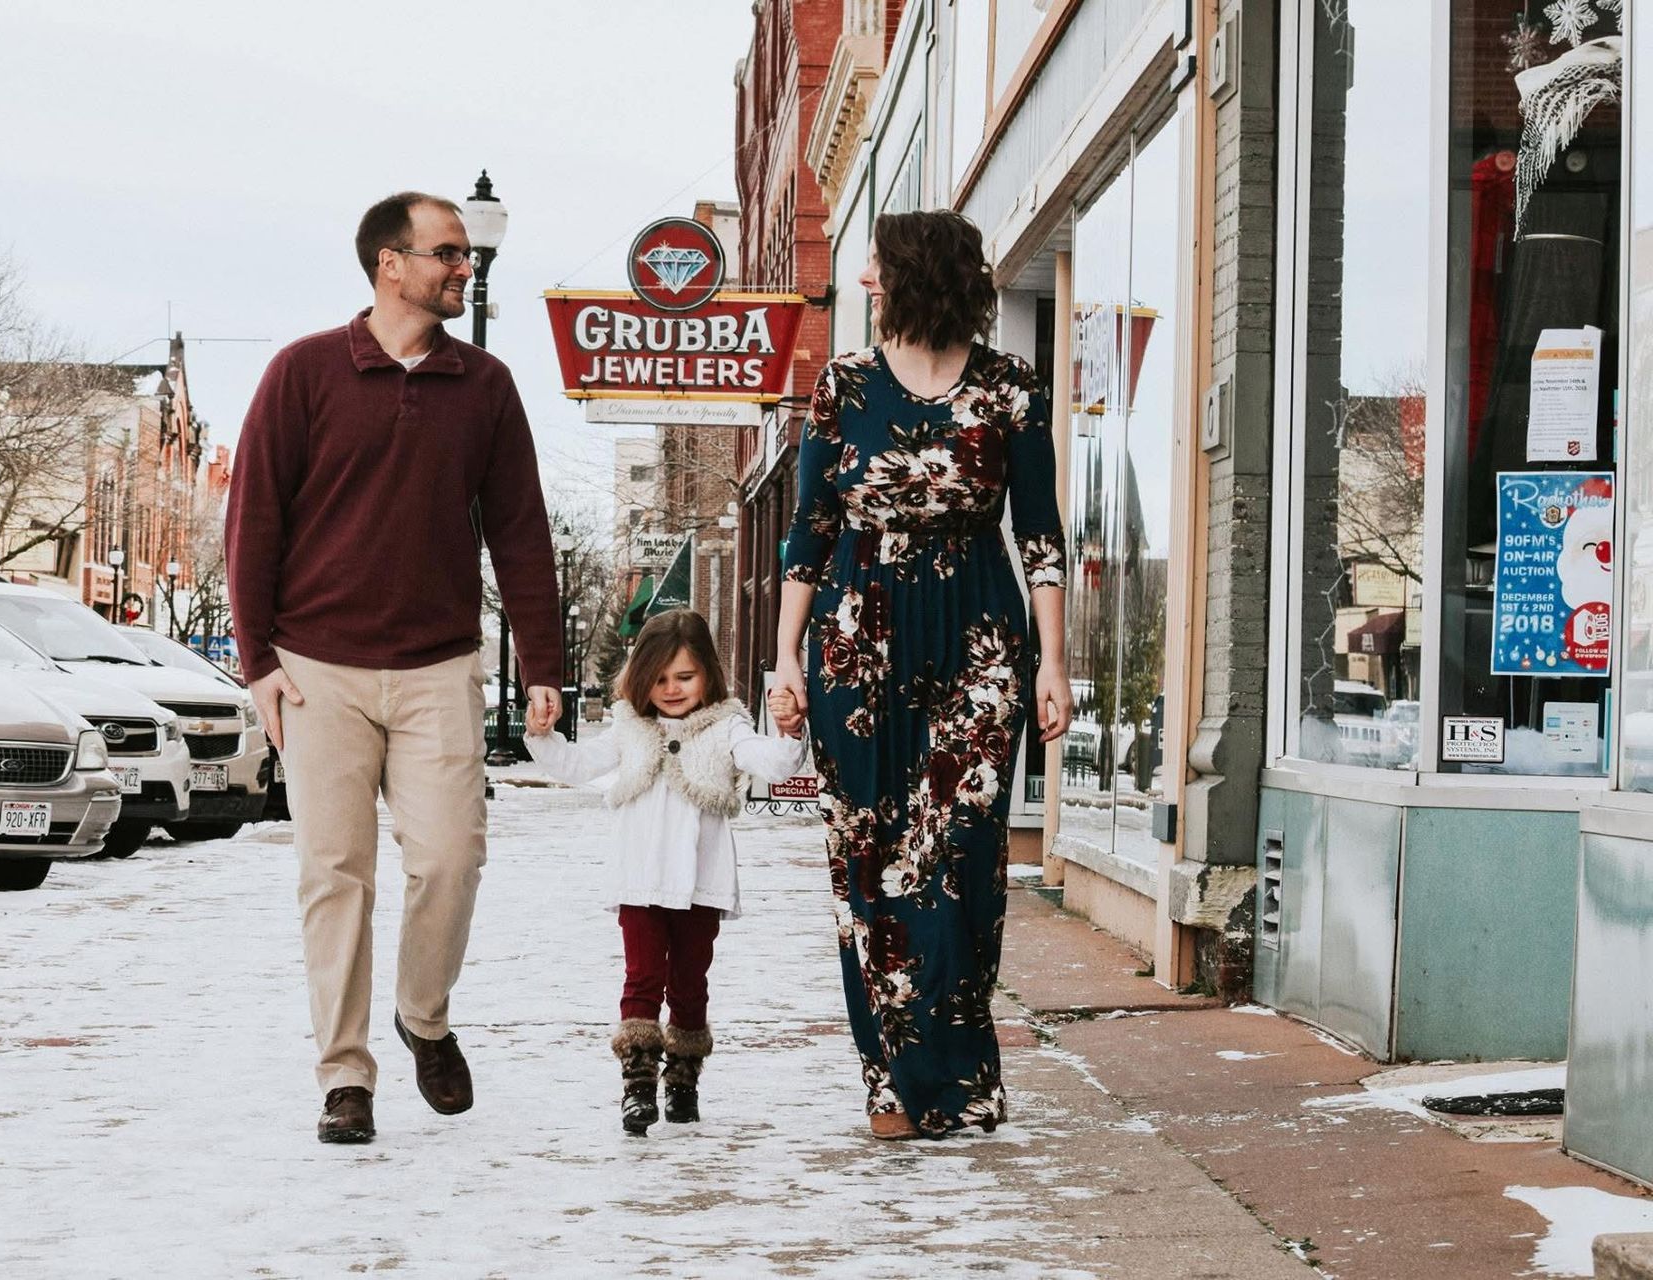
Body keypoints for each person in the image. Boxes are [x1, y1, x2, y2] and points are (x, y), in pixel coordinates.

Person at [225, 191, 564, 1144]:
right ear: (390, 263)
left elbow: (520, 532)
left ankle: (423, 1016)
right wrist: (258, 664)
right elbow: (253, 520)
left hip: (437, 667)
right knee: (335, 875)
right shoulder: (303, 373)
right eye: (448, 253)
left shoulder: (486, 386)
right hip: (316, 669)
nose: (465, 269)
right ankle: (344, 1076)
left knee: (452, 858)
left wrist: (541, 661)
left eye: (466, 254)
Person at [771, 209, 1072, 1141]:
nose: (861, 280)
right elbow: (809, 532)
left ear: (915, 276)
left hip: (980, 636)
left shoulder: (1011, 387)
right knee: (868, 852)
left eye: (875, 264)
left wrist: (1054, 662)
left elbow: (1042, 535)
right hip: (857, 637)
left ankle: (960, 1072)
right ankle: (892, 1082)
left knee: (959, 854)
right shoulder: (845, 386)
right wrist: (784, 655)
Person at [524, 610, 808, 1136]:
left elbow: (769, 762)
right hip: (640, 880)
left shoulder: (727, 725)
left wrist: (789, 733)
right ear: (641, 678)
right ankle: (637, 1085)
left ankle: (682, 1077)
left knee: (689, 982)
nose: (672, 689)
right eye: (659, 678)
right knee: (643, 976)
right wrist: (544, 737)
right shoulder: (631, 727)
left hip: (701, 883)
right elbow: (578, 765)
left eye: (685, 676)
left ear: (708, 675)